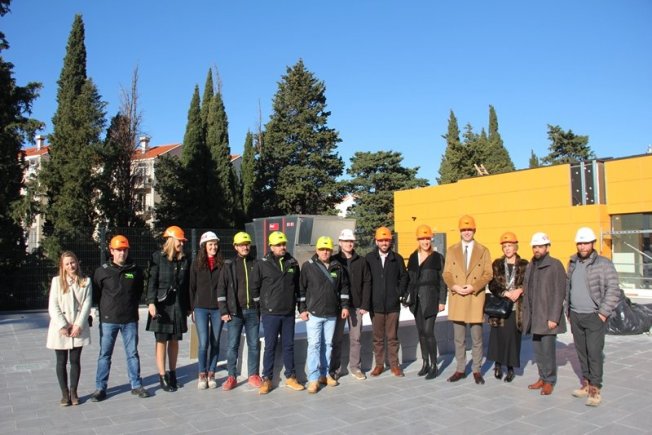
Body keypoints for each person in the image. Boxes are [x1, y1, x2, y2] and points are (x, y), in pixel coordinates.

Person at [567, 227, 623, 406]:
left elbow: (613, 289)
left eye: (586, 243)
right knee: (581, 352)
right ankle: (586, 383)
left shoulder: (604, 264)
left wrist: (603, 313)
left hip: (594, 316)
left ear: (592, 244)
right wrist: (568, 310)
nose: (583, 247)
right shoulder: (572, 262)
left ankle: (595, 389)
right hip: (576, 315)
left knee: (594, 353)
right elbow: (568, 288)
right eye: (580, 243)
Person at [91, 235, 149, 401]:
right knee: (105, 355)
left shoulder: (135, 271)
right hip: (108, 320)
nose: (122, 253)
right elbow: (96, 293)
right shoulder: (102, 271)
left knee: (132, 353)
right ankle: (100, 388)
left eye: (125, 250)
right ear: (111, 251)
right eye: (118, 250)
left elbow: (138, 291)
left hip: (129, 319)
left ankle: (136, 385)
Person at [443, 215, 493, 385]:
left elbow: (488, 274)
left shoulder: (483, 250)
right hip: (458, 296)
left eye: (469, 229)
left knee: (477, 338)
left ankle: (477, 370)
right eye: (464, 229)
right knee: (459, 338)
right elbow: (447, 273)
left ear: (474, 230)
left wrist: (474, 286)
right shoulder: (451, 250)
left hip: (475, 296)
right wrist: (454, 286)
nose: (466, 232)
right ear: (460, 231)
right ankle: (460, 369)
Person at [254, 231, 304, 394]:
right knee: (270, 347)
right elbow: (255, 288)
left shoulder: (293, 263)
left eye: (283, 244)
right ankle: (266, 379)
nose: (282, 247)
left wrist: (300, 308)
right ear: (271, 246)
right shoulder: (262, 264)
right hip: (270, 313)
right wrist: (261, 308)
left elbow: (298, 288)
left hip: (288, 312)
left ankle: (291, 377)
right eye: (278, 245)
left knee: (289, 346)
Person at [299, 236, 350, 393]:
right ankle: (313, 379)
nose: (325, 252)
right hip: (314, 313)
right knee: (314, 345)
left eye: (328, 249)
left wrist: (345, 306)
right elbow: (301, 289)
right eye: (322, 249)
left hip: (331, 313)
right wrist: (302, 309)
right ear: (317, 250)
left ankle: (325, 374)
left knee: (328, 345)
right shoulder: (308, 266)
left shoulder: (338, 267)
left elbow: (344, 288)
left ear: (331, 250)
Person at [147, 225, 190, 393]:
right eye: (180, 241)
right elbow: (152, 281)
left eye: (183, 241)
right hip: (162, 305)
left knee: (174, 340)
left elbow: (186, 285)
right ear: (171, 240)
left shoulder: (184, 259)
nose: (182, 244)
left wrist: (188, 306)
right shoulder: (158, 257)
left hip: (178, 305)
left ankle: (173, 374)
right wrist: (151, 302)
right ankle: (162, 376)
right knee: (161, 340)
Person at [522, 232, 567, 396]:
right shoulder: (531, 265)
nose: (537, 249)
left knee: (548, 352)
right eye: (535, 247)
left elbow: (559, 292)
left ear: (547, 247)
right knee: (538, 351)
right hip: (535, 316)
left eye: (540, 246)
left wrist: (554, 317)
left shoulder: (555, 265)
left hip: (548, 317)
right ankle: (542, 377)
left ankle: (549, 381)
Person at [217, 231, 263, 391]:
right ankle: (231, 376)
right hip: (234, 312)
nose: (245, 247)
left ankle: (253, 375)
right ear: (235, 247)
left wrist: (261, 307)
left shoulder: (256, 263)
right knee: (232, 346)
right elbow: (221, 289)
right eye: (241, 245)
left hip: (253, 311)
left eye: (247, 244)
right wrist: (224, 310)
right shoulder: (229, 265)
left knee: (254, 345)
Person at [46, 251, 92, 406]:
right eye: (67, 264)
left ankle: (74, 392)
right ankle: (64, 393)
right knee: (61, 361)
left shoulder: (85, 281)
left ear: (77, 262)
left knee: (75, 360)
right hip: (61, 328)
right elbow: (53, 305)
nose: (70, 266)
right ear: (62, 266)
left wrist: (78, 325)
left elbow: (87, 304)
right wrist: (62, 325)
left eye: (72, 262)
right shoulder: (57, 281)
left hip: (78, 326)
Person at [366, 226, 409, 377]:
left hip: (393, 305)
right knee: (377, 338)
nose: (384, 243)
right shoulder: (369, 258)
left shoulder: (397, 258)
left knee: (392, 337)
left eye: (387, 240)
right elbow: (366, 280)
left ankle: (394, 365)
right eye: (381, 240)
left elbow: (404, 277)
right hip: (376, 305)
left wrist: (399, 292)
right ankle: (379, 365)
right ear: (376, 241)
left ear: (390, 241)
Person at [487, 232, 528, 383]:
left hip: (516, 308)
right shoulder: (497, 264)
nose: (507, 249)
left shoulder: (524, 265)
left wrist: (520, 290)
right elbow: (492, 284)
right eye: (505, 246)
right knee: (498, 337)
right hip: (500, 306)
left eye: (510, 245)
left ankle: (510, 368)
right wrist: (504, 292)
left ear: (515, 247)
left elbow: (530, 283)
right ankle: (498, 365)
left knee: (512, 338)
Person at [331, 229, 372, 381]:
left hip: (356, 305)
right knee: (336, 339)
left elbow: (367, 282)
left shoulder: (361, 261)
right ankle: (335, 369)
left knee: (356, 338)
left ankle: (355, 367)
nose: (349, 244)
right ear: (340, 242)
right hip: (339, 307)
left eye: (351, 241)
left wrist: (365, 304)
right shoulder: (334, 261)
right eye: (346, 241)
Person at [406, 224, 446, 380]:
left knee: (429, 331)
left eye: (427, 238)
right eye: (422, 239)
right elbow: (409, 279)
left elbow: (442, 281)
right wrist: (406, 296)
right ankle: (425, 363)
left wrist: (442, 300)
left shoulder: (437, 258)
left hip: (431, 299)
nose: (425, 241)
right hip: (416, 301)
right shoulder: (412, 257)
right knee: (421, 332)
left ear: (431, 239)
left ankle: (434, 365)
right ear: (418, 240)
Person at [189, 231, 224, 390]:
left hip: (217, 309)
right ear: (204, 246)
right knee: (203, 342)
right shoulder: (196, 264)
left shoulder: (222, 264)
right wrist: (192, 308)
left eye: (215, 244)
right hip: (201, 308)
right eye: (210, 244)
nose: (213, 247)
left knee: (215, 342)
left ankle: (212, 373)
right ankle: (202, 374)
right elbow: (191, 287)